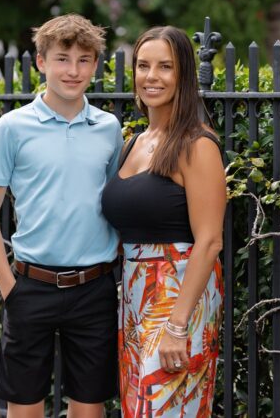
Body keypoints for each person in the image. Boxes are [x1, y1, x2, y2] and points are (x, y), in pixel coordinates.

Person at [0, 14, 123, 418]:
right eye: (62, 59)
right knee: (23, 409)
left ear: (95, 65)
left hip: (94, 289)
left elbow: (113, 204)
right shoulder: (12, 127)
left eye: (84, 60)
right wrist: (10, 288)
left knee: (90, 409)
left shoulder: (109, 128)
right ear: (40, 62)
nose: (72, 71)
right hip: (30, 285)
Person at [101, 26, 227, 417]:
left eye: (165, 67)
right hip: (136, 299)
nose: (151, 76)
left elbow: (209, 241)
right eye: (143, 66)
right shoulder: (133, 143)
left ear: (184, 75)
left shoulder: (197, 144)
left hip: (177, 297)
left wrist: (177, 324)